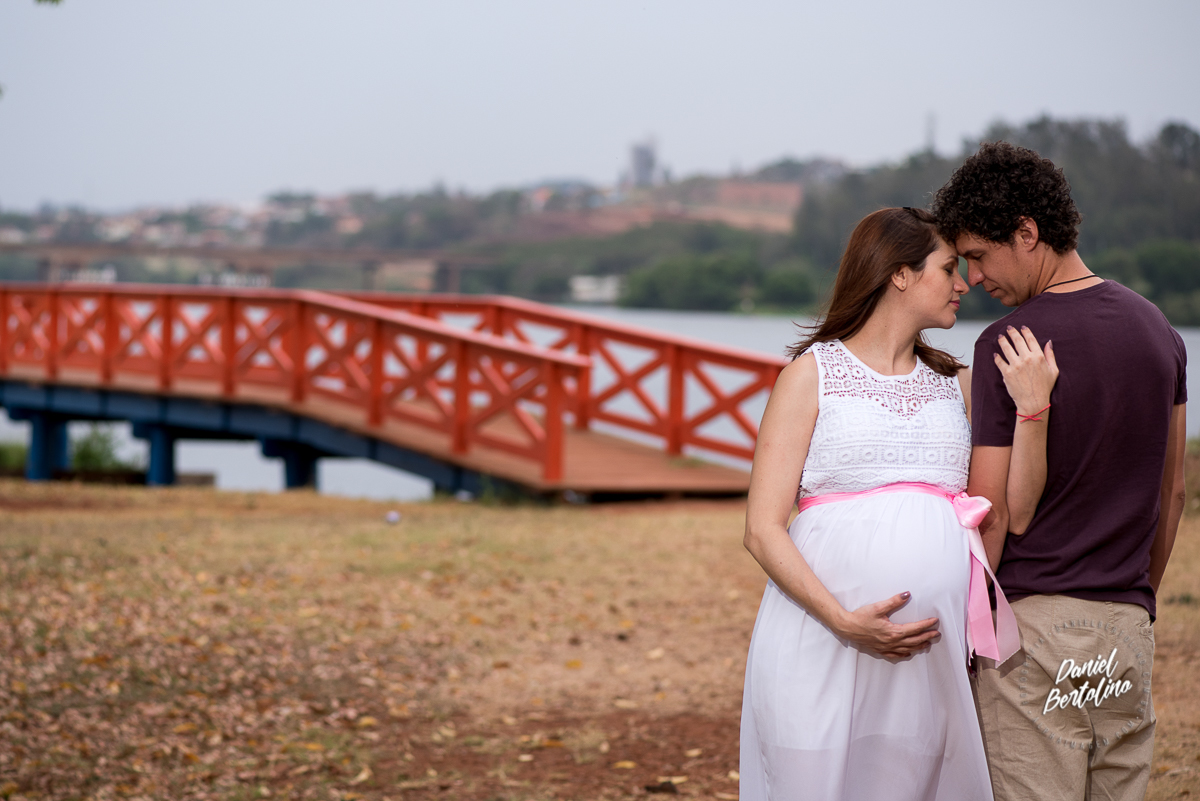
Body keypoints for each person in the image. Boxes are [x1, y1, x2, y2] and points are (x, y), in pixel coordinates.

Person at [740, 206, 1058, 800]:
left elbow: (1007, 509)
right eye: (948, 268)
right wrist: (844, 621)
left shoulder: (961, 383)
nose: (964, 283)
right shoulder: (811, 376)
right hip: (819, 636)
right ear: (900, 275)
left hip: (927, 655)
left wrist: (1032, 409)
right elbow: (762, 528)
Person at [933, 141, 1187, 800]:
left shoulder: (1005, 347)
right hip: (1126, 629)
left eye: (981, 256)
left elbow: (988, 518)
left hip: (1034, 635)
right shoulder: (1161, 332)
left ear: (1028, 232)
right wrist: (1138, 600)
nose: (976, 275)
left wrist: (968, 642)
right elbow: (1174, 490)